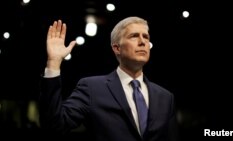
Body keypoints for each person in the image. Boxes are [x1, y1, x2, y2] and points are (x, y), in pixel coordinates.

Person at [39, 16, 179, 141]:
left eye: (146, 37)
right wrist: (53, 63)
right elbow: (54, 126)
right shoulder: (92, 88)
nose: (143, 42)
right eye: (134, 36)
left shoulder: (166, 98)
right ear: (117, 48)